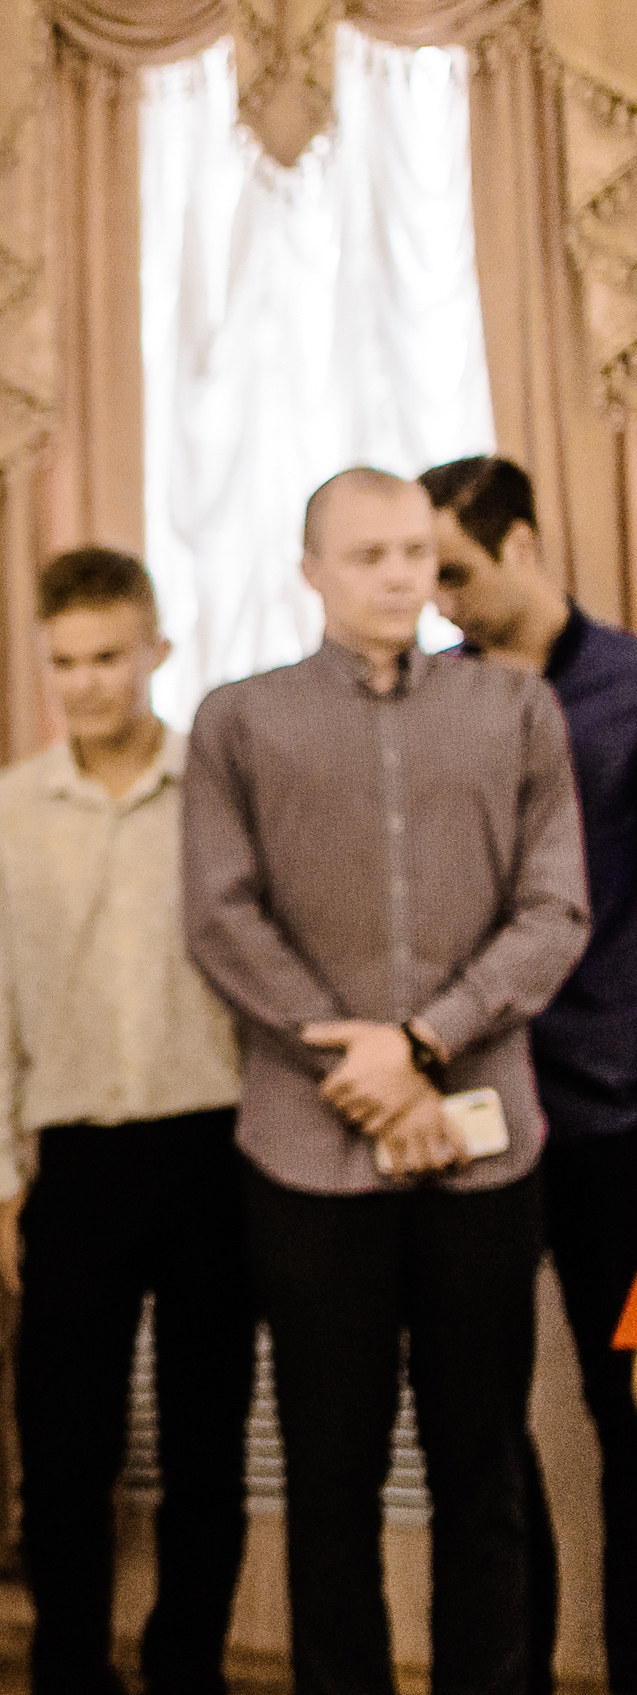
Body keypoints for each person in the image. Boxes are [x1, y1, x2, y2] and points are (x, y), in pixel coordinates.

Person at [183, 466, 590, 1695]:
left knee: (480, 1471)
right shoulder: (236, 721)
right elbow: (219, 916)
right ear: (311, 571)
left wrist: (417, 1046)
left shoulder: (517, 715)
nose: (399, 574)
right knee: (329, 1477)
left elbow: (553, 906)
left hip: (484, 1154)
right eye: (367, 555)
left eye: (415, 551)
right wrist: (354, 1055)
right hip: (307, 1155)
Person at [0, 548, 250, 1695]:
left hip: (212, 1151)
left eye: (108, 657)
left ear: (156, 651)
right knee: (65, 1453)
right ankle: (68, 1670)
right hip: (66, 1166)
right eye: (63, 662)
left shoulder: (219, 786)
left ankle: (188, 1669)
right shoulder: (6, 813)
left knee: (204, 1448)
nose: (85, 682)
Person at [423, 453, 637, 1695]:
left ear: (524, 543)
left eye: (454, 570)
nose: (437, 598)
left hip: (620, 1135)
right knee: (481, 1433)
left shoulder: (629, 690)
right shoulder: (427, 704)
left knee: (630, 1419)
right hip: (480, 1131)